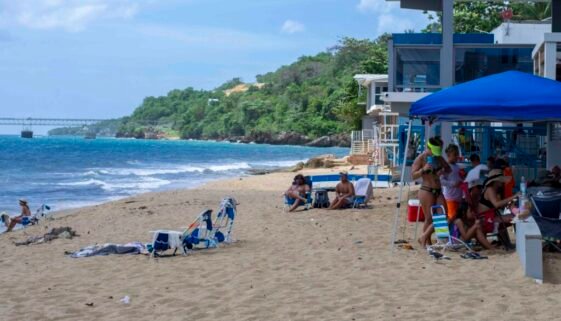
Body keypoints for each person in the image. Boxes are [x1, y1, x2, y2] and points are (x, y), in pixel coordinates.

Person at [412, 137, 451, 247]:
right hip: (426, 190)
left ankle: (427, 237)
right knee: (429, 218)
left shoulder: (438, 157)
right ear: (429, 148)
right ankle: (426, 242)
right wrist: (423, 169)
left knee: (443, 216)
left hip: (438, 190)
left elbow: (448, 169)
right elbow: (413, 176)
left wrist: (443, 170)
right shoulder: (421, 158)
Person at [479, 169, 520, 249]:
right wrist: (513, 196)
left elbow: (498, 204)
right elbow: (496, 204)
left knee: (511, 218)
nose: (502, 182)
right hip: (485, 219)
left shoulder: (493, 189)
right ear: (496, 181)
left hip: (488, 217)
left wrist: (509, 203)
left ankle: (507, 243)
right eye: (501, 180)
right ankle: (515, 243)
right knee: (515, 218)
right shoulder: (490, 189)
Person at [440, 144, 463, 220]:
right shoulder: (445, 166)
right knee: (451, 218)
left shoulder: (457, 166)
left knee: (457, 218)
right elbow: (441, 180)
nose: (457, 157)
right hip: (450, 197)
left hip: (458, 197)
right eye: (455, 154)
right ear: (449, 155)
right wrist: (452, 183)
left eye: (457, 154)